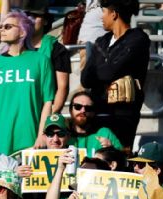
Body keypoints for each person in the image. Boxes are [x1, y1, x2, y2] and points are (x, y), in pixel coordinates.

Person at [79, 0, 150, 148]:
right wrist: (108, 66)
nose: (101, 17)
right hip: (97, 112)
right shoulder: (101, 41)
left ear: (114, 14)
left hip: (123, 116)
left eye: (103, 12)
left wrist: (101, 67)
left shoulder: (138, 39)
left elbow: (108, 72)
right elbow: (86, 79)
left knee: (117, 157)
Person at [0, 10, 56, 156]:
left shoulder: (41, 60)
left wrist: (42, 135)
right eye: (1, 27)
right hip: (0, 140)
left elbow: (48, 102)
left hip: (31, 139)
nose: (2, 30)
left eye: (8, 27)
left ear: (22, 32)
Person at [63, 91, 122, 156]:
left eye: (88, 108)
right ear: (70, 110)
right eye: (78, 107)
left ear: (93, 112)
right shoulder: (61, 134)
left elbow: (124, 159)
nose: (83, 111)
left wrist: (112, 150)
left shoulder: (105, 133)